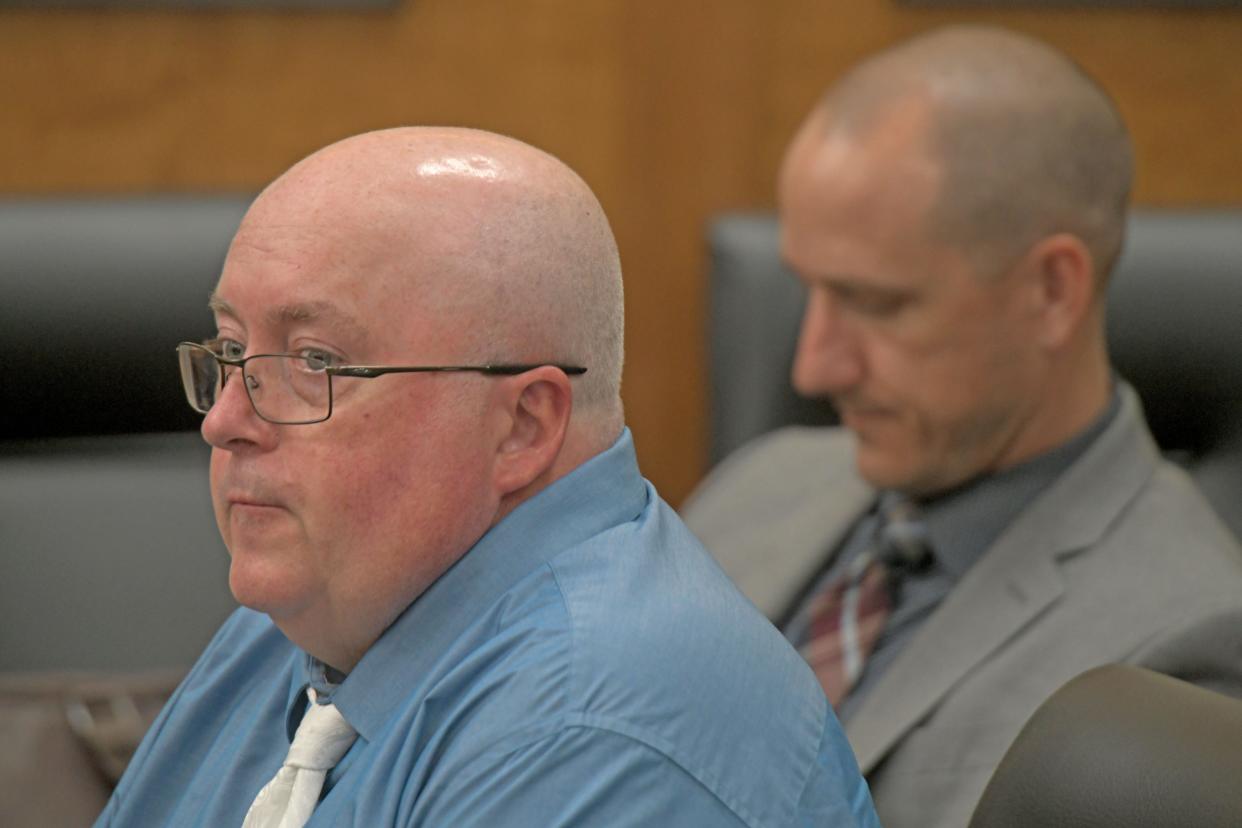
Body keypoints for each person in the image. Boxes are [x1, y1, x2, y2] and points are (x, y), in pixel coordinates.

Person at [95, 127, 879, 827]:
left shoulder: (588, 732)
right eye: (230, 350)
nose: (225, 419)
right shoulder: (299, 620)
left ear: (523, 426)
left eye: (314, 363)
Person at [682, 25, 1242, 828]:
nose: (813, 369)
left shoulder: (1185, 646)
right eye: (807, 288)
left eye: (876, 303)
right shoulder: (757, 484)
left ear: (1052, 291)